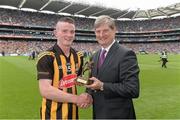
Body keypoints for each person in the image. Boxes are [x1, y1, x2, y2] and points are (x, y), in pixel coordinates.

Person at [36, 17, 92, 120]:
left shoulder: (78, 56)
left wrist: (91, 85)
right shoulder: (47, 57)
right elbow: (45, 90)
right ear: (56, 33)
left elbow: (77, 79)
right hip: (52, 115)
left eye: (72, 32)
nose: (69, 35)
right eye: (64, 31)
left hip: (73, 114)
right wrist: (77, 99)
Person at [86, 15, 140, 119]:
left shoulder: (126, 54)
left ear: (114, 30)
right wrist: (87, 94)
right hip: (99, 114)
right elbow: (93, 82)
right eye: (98, 31)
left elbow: (132, 89)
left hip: (119, 115)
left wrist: (102, 86)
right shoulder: (95, 56)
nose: (101, 35)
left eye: (105, 30)